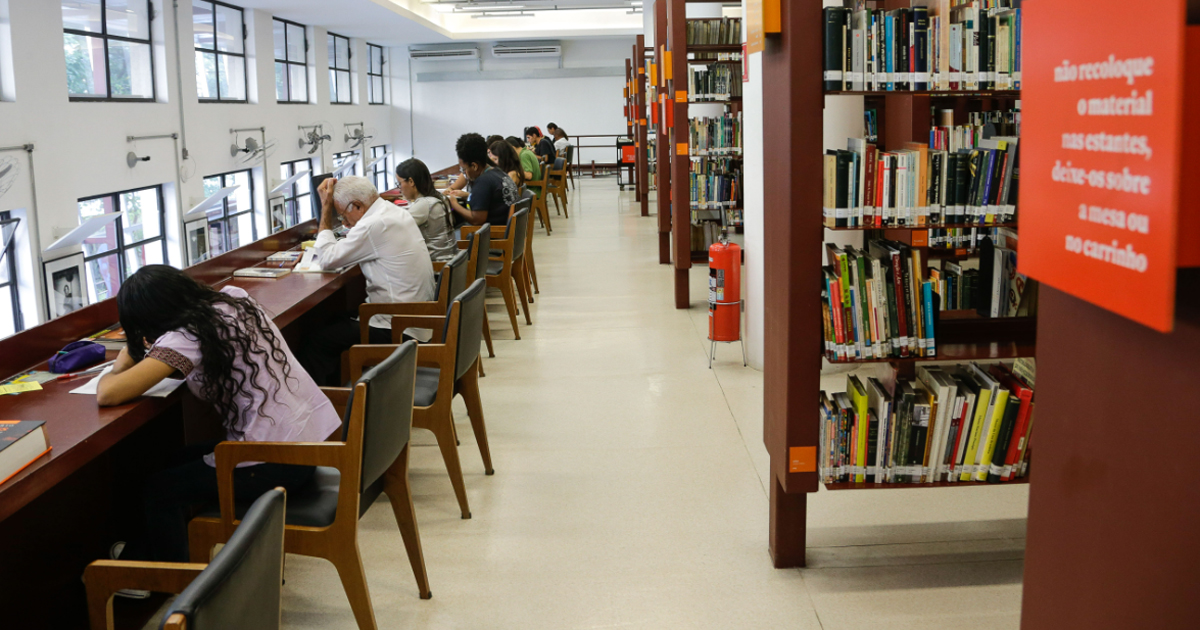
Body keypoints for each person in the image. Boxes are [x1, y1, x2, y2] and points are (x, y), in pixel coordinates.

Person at [96, 265, 339, 564]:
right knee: (174, 461)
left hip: (274, 464)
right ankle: (152, 555)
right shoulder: (234, 299)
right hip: (305, 446)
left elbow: (109, 393)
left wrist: (126, 355)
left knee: (159, 489)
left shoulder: (185, 337)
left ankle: (166, 574)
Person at [296, 175, 436, 385]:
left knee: (315, 342)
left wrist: (325, 208)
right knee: (333, 321)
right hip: (414, 318)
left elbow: (327, 259)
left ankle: (327, 406)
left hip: (398, 328)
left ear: (358, 206)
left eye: (344, 216)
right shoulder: (391, 211)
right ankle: (337, 394)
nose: (345, 223)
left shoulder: (373, 224)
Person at [449, 133, 517, 226]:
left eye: (464, 169)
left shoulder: (483, 181)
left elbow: (477, 220)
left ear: (474, 166)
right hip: (505, 230)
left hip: (493, 235)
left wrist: (454, 204)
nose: (464, 173)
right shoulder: (498, 172)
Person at [396, 158, 457, 262]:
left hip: (437, 266)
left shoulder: (424, 205)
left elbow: (396, 229)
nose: (399, 189)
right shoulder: (440, 197)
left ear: (411, 181)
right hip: (452, 262)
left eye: (399, 183)